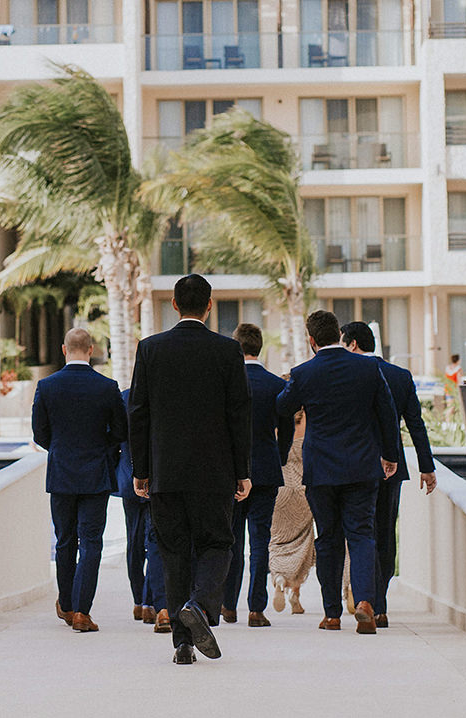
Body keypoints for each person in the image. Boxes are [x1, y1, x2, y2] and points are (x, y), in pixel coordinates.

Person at [129, 274, 251, 666]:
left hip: (166, 471)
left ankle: (182, 645)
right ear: (210, 305)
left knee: (173, 551)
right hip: (215, 472)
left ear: (175, 305)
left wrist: (141, 470)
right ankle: (199, 605)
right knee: (218, 543)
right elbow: (238, 415)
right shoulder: (227, 351)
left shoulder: (150, 350)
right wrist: (243, 470)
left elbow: (139, 414)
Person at [276, 310, 401, 635]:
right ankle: (364, 604)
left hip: (321, 471)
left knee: (328, 539)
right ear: (338, 335)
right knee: (362, 535)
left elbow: (282, 407)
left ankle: (331, 614)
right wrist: (389, 456)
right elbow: (387, 414)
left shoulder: (304, 373)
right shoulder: (369, 367)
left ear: (312, 340)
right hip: (362, 467)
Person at [341, 321, 437, 629]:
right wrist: (427, 466)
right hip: (391, 469)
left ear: (353, 344)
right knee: (385, 534)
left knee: (360, 535)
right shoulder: (400, 376)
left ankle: (364, 600)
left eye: (344, 344)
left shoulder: (349, 375)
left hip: (355, 466)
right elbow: (415, 424)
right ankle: (379, 607)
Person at [31, 328, 126, 633]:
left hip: (61, 474)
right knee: (92, 543)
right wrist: (102, 450)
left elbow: (39, 433)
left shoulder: (47, 386)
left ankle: (67, 604)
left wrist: (59, 450)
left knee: (64, 541)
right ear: (91, 349)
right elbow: (120, 432)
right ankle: (82, 612)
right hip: (96, 473)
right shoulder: (107, 387)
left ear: (63, 349)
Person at [222, 323, 293, 628]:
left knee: (231, 540)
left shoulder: (225, 383)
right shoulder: (276, 385)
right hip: (265, 469)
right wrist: (280, 456)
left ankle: (228, 604)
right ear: (260, 347)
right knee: (261, 541)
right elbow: (287, 429)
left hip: (230, 472)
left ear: (237, 348)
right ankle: (256, 608)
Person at [117, 385, 169, 632]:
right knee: (154, 539)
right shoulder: (163, 395)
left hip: (130, 476)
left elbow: (114, 435)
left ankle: (140, 600)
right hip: (157, 477)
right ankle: (149, 601)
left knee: (135, 540)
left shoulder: (125, 397)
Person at [268, 408, 314, 615]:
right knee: (304, 540)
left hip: (281, 488)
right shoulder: (309, 422)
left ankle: (279, 578)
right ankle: (295, 594)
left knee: (277, 540)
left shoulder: (276, 424)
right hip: (304, 488)